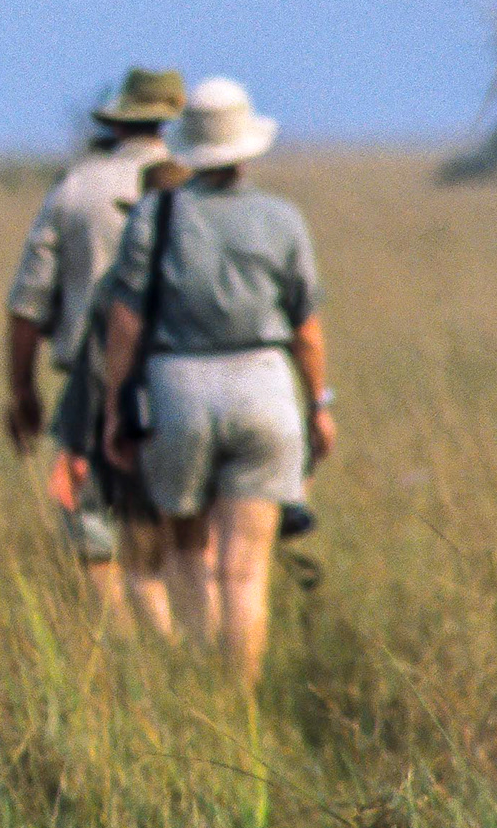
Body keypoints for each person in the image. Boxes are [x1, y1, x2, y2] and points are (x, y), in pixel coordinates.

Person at [94, 78, 330, 682]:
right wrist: (319, 404)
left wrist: (119, 405)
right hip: (265, 387)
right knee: (246, 571)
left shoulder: (156, 214)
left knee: (186, 556)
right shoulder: (283, 219)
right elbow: (306, 327)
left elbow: (125, 319)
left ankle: (201, 687)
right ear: (247, 146)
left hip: (180, 393)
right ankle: (240, 703)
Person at [2, 67, 185, 630]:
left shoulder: (77, 186)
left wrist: (23, 392)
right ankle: (182, 653)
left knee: (91, 523)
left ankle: (130, 654)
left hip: (95, 377)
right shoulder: (195, 181)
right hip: (184, 373)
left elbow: (27, 306)